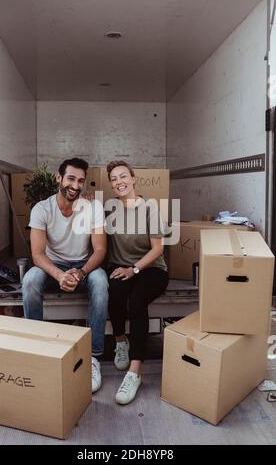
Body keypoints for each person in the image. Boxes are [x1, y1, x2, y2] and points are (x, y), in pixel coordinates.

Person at [22, 158, 108, 393]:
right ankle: (36, 350)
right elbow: (38, 255)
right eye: (71, 178)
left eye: (80, 180)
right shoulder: (42, 208)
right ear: (59, 178)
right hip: (52, 266)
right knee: (29, 280)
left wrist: (80, 273)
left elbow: (100, 250)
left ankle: (93, 356)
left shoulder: (93, 208)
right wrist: (60, 275)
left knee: (100, 281)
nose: (76, 185)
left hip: (82, 265)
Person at [105, 160, 169, 405]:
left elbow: (157, 249)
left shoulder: (150, 207)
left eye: (123, 176)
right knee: (115, 290)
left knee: (138, 300)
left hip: (151, 268)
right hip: (119, 266)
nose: (119, 182)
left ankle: (134, 371)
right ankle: (121, 341)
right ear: (111, 184)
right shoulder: (109, 208)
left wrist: (134, 269)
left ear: (133, 179)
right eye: (114, 178)